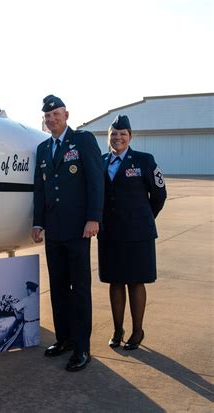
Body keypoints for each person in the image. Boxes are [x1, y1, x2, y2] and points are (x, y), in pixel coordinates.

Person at [32, 95, 104, 372]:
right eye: (48, 116)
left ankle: (82, 347)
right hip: (54, 230)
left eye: (56, 114)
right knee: (59, 286)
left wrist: (93, 217)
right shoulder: (42, 148)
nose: (52, 119)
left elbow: (96, 181)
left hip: (78, 230)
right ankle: (64, 339)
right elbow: (41, 189)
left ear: (66, 115)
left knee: (80, 289)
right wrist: (38, 222)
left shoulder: (83, 141)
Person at [98, 114, 167, 350]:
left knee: (136, 282)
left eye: (122, 134)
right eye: (114, 134)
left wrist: (145, 218)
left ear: (130, 137)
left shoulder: (145, 161)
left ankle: (137, 331)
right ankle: (118, 330)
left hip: (138, 233)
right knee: (115, 282)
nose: (118, 138)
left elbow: (159, 194)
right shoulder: (101, 161)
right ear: (109, 137)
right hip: (110, 233)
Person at [12, 281, 40, 346]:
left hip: (29, 327)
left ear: (29, 290)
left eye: (27, 290)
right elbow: (31, 309)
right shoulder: (38, 298)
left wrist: (9, 302)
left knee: (28, 348)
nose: (27, 291)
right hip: (37, 325)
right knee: (36, 347)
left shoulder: (27, 299)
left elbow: (15, 306)